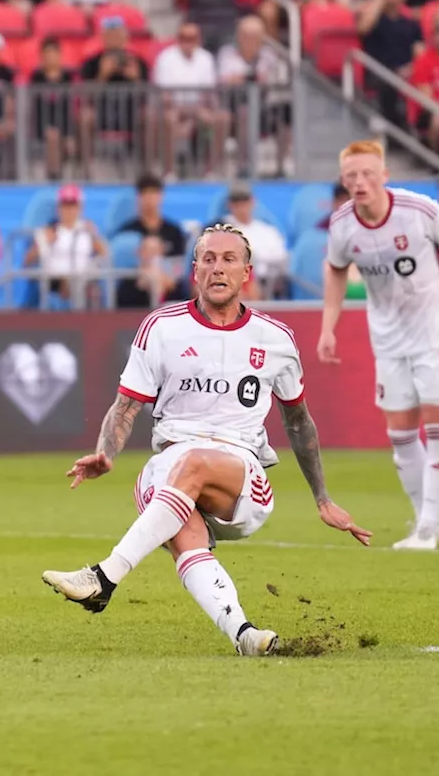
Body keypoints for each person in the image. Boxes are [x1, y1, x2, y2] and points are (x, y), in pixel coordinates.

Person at [42, 224, 370, 657]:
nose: (218, 268)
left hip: (241, 476)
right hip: (171, 466)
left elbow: (298, 422)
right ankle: (244, 636)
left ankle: (103, 578)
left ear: (246, 272)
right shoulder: (161, 327)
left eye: (229, 259)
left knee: (193, 462)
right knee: (185, 531)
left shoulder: (275, 339)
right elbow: (125, 406)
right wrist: (107, 452)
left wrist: (323, 498)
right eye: (209, 259)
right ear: (194, 270)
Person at [318, 140, 439, 550]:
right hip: (388, 338)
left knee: (438, 422)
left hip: (436, 331)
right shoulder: (342, 225)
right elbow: (336, 268)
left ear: (384, 176)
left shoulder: (418, 210)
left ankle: (428, 526)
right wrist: (329, 327)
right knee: (400, 437)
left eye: (366, 174)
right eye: (351, 176)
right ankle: (425, 520)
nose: (359, 183)